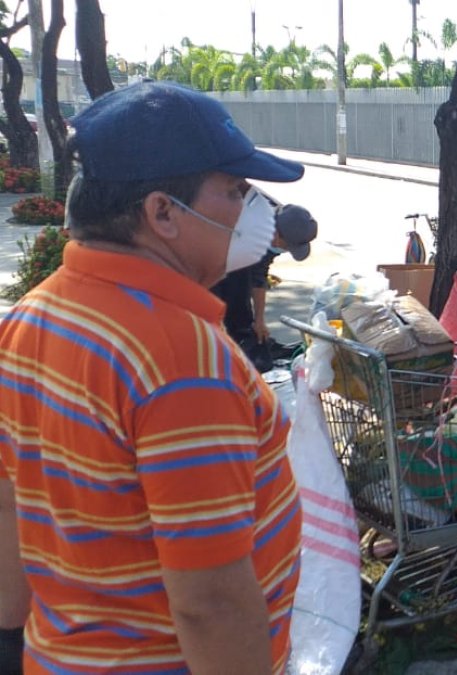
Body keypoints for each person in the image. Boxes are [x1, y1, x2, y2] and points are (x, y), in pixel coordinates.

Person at [0, 81, 305, 673]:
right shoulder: (178, 358)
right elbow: (210, 602)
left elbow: (10, 501)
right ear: (163, 212)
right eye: (235, 191)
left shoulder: (32, 315)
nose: (252, 211)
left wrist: (11, 638)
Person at [211, 198, 318, 371]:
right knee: (226, 306)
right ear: (276, 234)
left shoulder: (271, 235)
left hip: (235, 264)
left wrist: (259, 320)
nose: (284, 250)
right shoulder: (244, 227)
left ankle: (244, 339)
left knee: (241, 307)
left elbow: (259, 274)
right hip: (211, 263)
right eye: (286, 246)